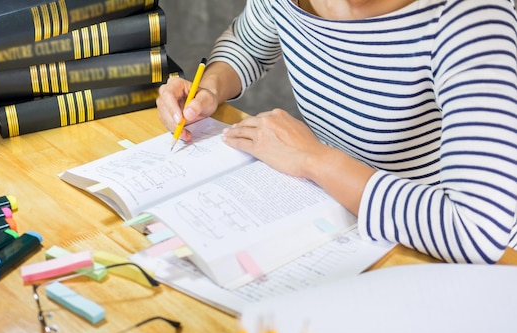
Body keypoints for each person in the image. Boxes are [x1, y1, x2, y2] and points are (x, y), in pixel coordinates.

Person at [156, 0, 517, 264]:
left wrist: (315, 160)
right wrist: (210, 88)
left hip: (448, 256)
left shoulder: (472, 21)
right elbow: (248, 44)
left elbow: (476, 229)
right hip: (349, 225)